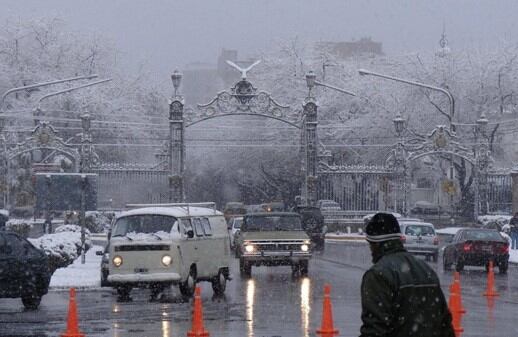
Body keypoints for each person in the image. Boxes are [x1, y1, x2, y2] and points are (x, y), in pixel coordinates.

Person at [359, 212, 454, 337]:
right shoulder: (426, 270)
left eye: (370, 244)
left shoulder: (378, 275)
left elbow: (375, 329)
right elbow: (444, 323)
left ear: (376, 243)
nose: (370, 249)